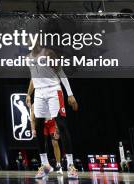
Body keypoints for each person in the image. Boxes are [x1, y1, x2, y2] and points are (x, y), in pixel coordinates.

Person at [26, 44, 79, 179]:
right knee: (38, 127)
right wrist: (28, 94)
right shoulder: (28, 58)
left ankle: (71, 165)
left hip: (54, 90)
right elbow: (34, 78)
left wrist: (70, 94)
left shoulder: (48, 53)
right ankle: (45, 165)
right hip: (39, 93)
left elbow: (60, 72)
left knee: (61, 125)